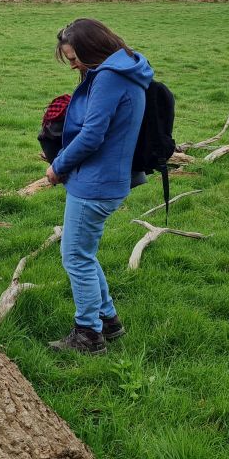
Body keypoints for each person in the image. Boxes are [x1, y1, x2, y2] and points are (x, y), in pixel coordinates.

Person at [45, 18, 153, 355]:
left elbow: (92, 134)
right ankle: (109, 321)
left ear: (92, 49)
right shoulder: (128, 69)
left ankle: (88, 336)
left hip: (95, 182)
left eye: (75, 58)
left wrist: (57, 166)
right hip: (109, 178)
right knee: (84, 253)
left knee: (75, 257)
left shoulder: (108, 77)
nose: (74, 65)